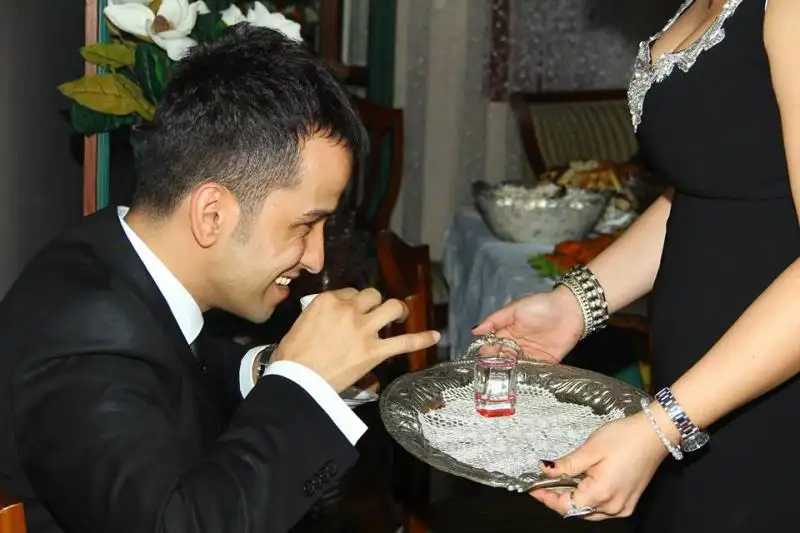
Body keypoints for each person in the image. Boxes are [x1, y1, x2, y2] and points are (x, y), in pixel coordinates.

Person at [0, 24, 439, 533]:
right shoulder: (84, 339)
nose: (316, 259)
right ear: (212, 214)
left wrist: (272, 367)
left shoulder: (110, 261)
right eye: (305, 225)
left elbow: (176, 373)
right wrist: (305, 385)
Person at [474, 0, 800, 530]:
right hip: (699, 395)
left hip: (770, 402)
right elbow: (713, 191)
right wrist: (574, 305)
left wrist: (662, 426)